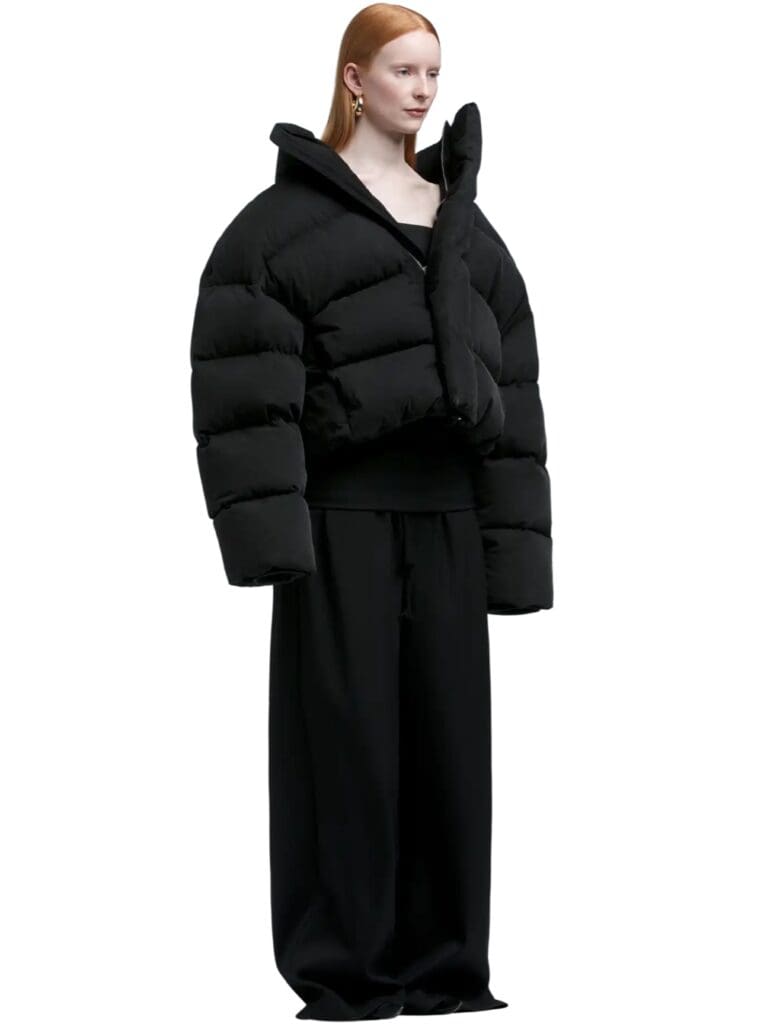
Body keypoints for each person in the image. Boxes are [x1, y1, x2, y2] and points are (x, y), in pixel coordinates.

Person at [189, 4, 553, 1018]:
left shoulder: (466, 229)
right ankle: (346, 971)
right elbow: (240, 383)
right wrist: (269, 537)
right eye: (402, 69)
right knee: (341, 746)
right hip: (341, 518)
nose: (423, 89)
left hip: (447, 520)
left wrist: (513, 555)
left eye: (434, 70)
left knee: (448, 745)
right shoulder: (279, 228)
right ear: (354, 79)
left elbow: (513, 390)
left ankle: (443, 967)